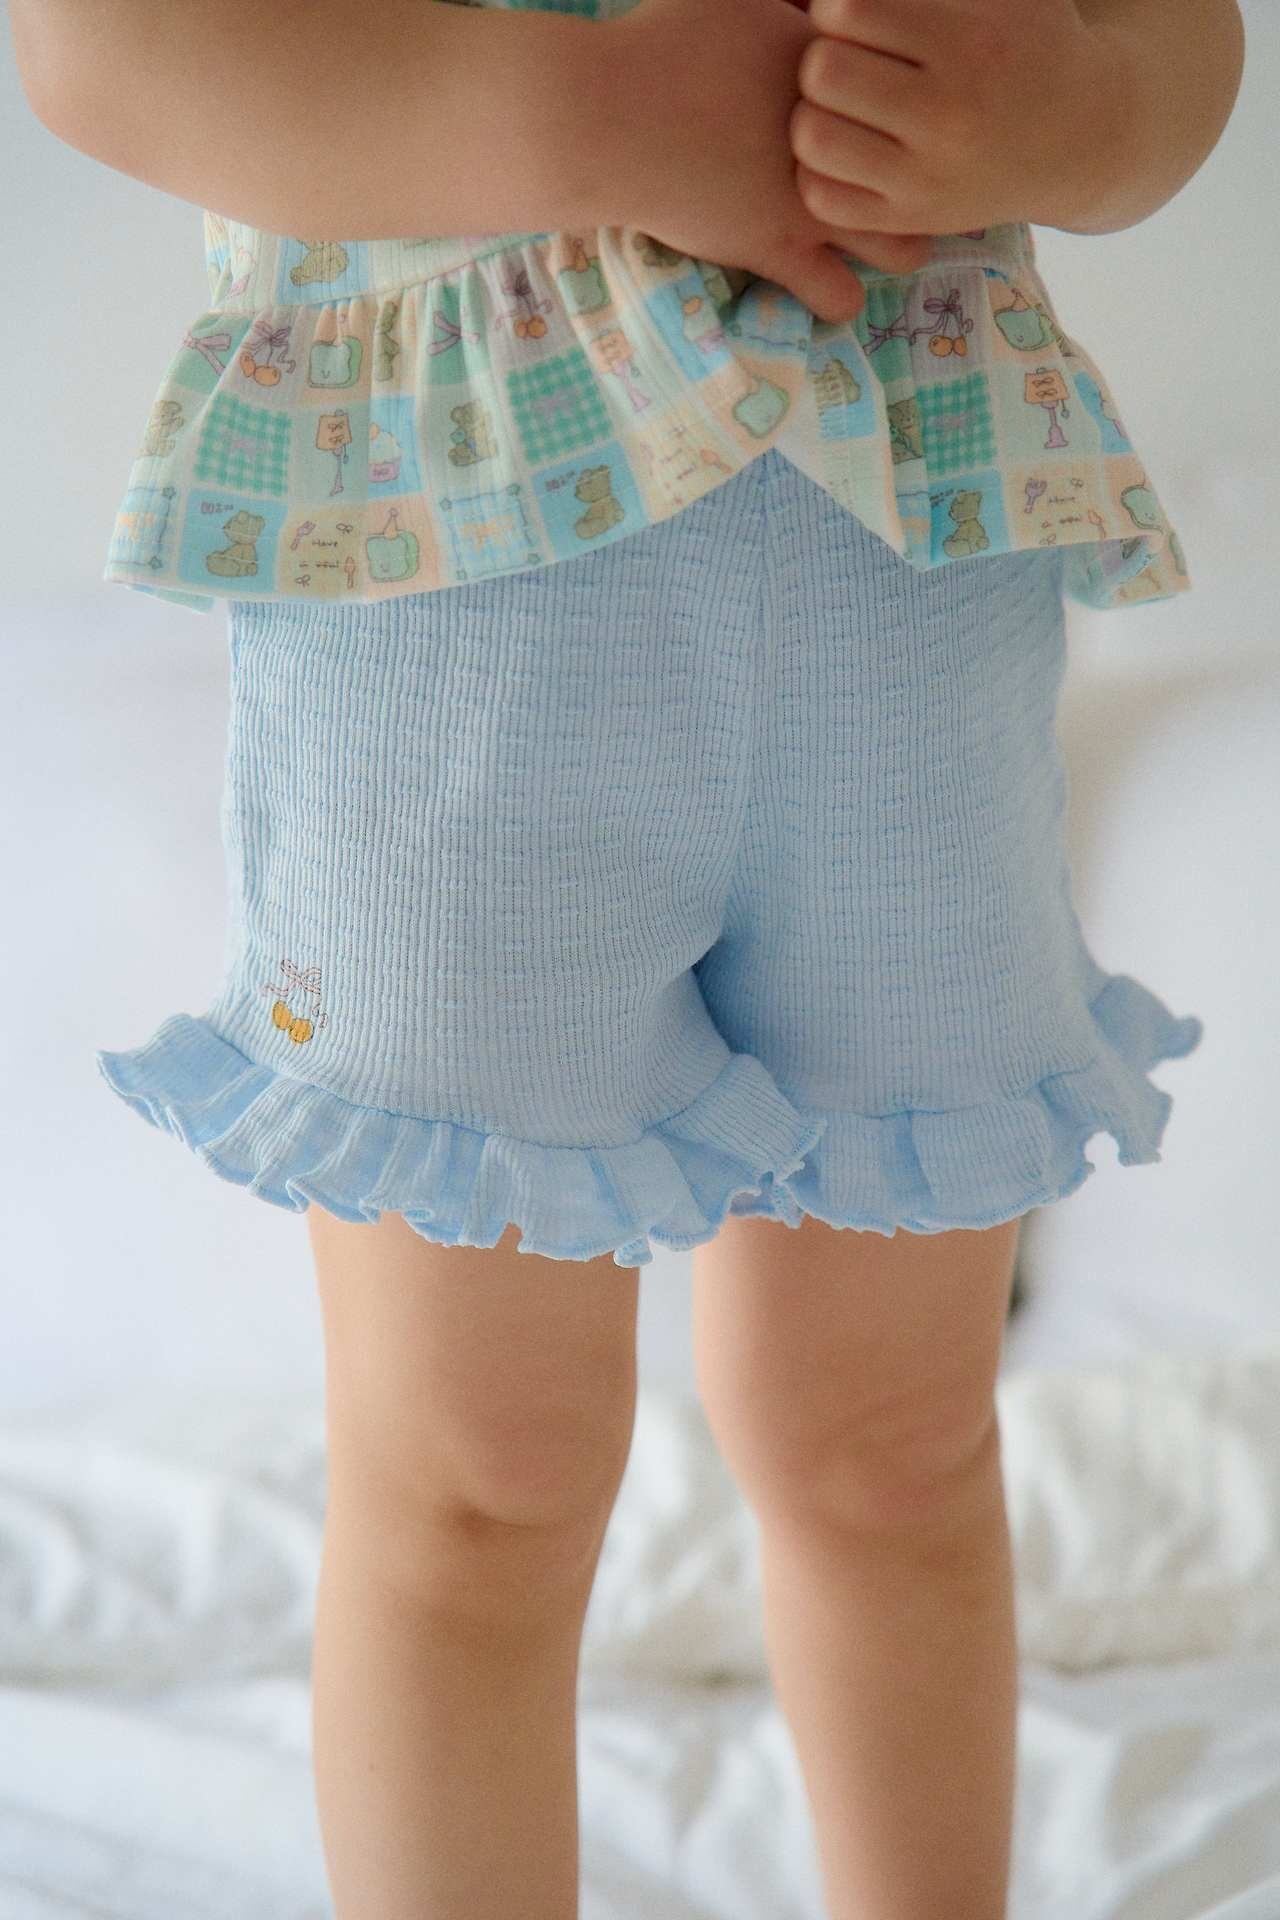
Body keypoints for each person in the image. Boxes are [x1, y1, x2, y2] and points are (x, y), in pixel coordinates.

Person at [13, 0, 1243, 1912]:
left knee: (898, 1450)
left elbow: (1180, 44)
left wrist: (1078, 108)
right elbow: (99, 44)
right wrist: (582, 111)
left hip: (911, 588)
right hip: (443, 609)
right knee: (478, 1484)